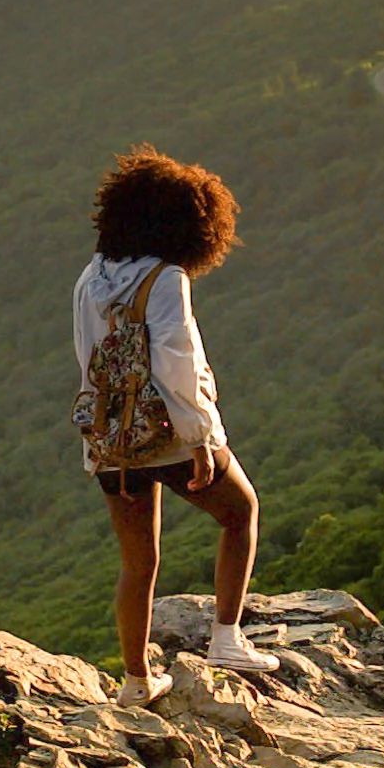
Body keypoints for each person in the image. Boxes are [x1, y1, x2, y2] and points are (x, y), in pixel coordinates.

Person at [72, 142, 275, 706]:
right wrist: (203, 437)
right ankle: (228, 639)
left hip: (112, 437)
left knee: (139, 562)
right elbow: (176, 362)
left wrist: (98, 437)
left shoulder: (90, 277)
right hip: (169, 435)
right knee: (241, 513)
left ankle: (137, 681)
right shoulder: (165, 280)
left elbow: (87, 356)